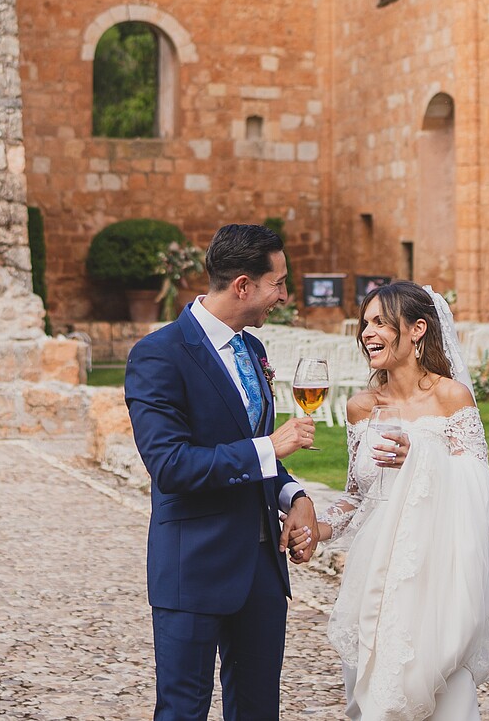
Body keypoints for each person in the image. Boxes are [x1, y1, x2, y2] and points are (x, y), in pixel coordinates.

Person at [125, 222, 322, 721]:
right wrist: (269, 446)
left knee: (259, 711)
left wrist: (294, 496)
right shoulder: (158, 354)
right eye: (278, 283)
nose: (283, 295)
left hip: (261, 570)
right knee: (183, 711)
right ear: (243, 286)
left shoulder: (252, 349)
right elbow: (170, 465)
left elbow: (261, 460)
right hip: (194, 566)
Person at [315, 281, 489, 721]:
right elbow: (356, 495)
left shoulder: (451, 399)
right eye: (365, 323)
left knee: (442, 693)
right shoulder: (361, 407)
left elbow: (481, 487)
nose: (368, 332)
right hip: (374, 578)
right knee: (372, 692)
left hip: (435, 575)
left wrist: (423, 457)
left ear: (417, 329)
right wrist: (320, 527)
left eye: (381, 322)